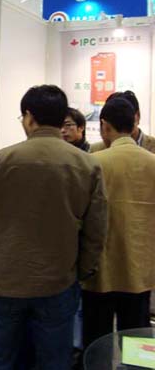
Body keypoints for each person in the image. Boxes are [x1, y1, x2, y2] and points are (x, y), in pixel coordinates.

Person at [0, 85, 107, 370]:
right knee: (54, 362)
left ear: (29, 117)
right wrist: (80, 272)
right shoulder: (87, 165)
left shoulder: (0, 161)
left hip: (3, 281)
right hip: (58, 281)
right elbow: (95, 231)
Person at [82, 97, 155, 348]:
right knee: (136, 342)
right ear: (134, 122)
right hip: (139, 270)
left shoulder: (95, 162)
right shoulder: (152, 162)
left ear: (104, 125)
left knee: (96, 340)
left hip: (100, 269)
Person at [90, 90, 155, 153]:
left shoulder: (153, 146)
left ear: (138, 116)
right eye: (115, 118)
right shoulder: (94, 151)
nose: (121, 122)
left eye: (126, 115)